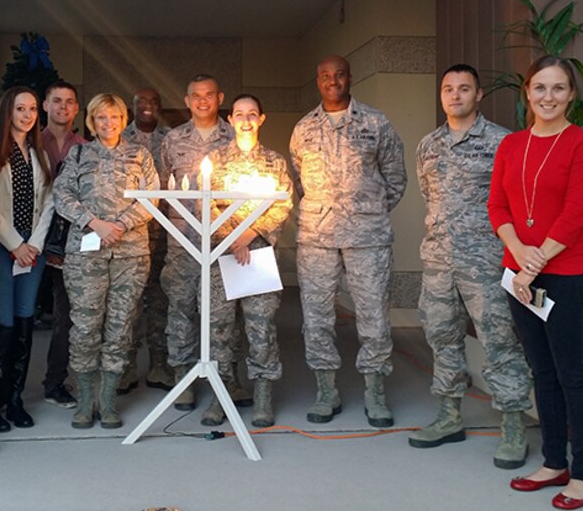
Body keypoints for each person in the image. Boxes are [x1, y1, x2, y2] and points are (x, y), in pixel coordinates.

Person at [489, 55, 583, 509]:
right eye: (540, 88)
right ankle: (554, 460)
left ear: (571, 94)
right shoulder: (511, 145)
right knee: (543, 372)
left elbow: (576, 213)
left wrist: (534, 263)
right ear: (527, 92)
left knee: (572, 375)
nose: (548, 97)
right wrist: (519, 255)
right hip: (519, 277)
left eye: (558, 88)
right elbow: (497, 206)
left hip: (569, 276)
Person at [409, 64, 532, 468]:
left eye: (464, 88)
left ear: (479, 94)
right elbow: (430, 196)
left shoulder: (503, 142)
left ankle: (514, 427)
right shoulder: (428, 145)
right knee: (442, 338)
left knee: (499, 343)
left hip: (487, 263)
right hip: (439, 262)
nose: (455, 95)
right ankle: (449, 416)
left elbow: (516, 201)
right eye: (448, 88)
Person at [289, 54, 406, 427]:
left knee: (373, 316)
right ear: (317, 80)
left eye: (339, 75)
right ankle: (327, 391)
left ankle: (375, 392)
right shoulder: (303, 128)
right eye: (325, 76)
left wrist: (365, 210)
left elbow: (395, 178)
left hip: (367, 238)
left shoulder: (376, 122)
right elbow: (297, 180)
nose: (332, 81)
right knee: (317, 318)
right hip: (317, 240)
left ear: (350, 78)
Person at [54, 93, 159, 429]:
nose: (108, 124)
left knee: (119, 328)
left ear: (123, 120)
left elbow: (153, 195)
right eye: (101, 117)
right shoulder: (79, 153)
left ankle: (109, 400)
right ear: (92, 121)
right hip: (86, 255)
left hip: (130, 254)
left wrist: (122, 224)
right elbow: (61, 195)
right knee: (85, 328)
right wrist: (95, 223)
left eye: (114, 117)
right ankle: (86, 401)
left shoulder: (139, 155)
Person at [202, 94, 293, 427]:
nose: (245, 120)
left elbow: (283, 204)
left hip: (257, 253)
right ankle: (220, 396)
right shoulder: (214, 160)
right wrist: (230, 235)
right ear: (229, 118)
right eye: (239, 114)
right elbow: (206, 203)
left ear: (261, 119)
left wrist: (247, 234)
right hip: (219, 255)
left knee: (261, 326)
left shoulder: (274, 161)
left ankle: (263, 397)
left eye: (251, 114)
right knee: (220, 329)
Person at [160, 74, 250, 411]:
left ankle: (227, 378)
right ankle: (183, 377)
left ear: (220, 97)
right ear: (186, 100)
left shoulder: (234, 135)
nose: (202, 101)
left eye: (209, 95)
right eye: (195, 95)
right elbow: (164, 184)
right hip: (183, 239)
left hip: (225, 239)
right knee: (181, 308)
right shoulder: (172, 139)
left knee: (226, 313)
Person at [0, 87, 55, 432]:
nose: (27, 114)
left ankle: (15, 399)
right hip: (2, 247)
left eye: (33, 108)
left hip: (32, 251)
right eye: (20, 108)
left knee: (25, 323)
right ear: (7, 111)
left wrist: (33, 244)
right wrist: (14, 243)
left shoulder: (39, 153)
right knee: (3, 323)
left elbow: (49, 200)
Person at [119, 87, 173, 394]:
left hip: (166, 232)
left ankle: (159, 365)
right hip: (132, 232)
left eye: (154, 101)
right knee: (130, 301)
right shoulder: (120, 137)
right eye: (142, 102)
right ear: (133, 106)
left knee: (160, 300)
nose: (148, 106)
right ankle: (126, 368)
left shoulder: (171, 138)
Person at [39, 81, 86, 409]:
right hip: (25, 240)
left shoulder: (84, 147)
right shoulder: (29, 140)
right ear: (45, 105)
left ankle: (54, 382)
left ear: (76, 109)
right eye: (57, 101)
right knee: (19, 316)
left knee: (63, 315)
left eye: (69, 102)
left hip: (64, 242)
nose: (63, 108)